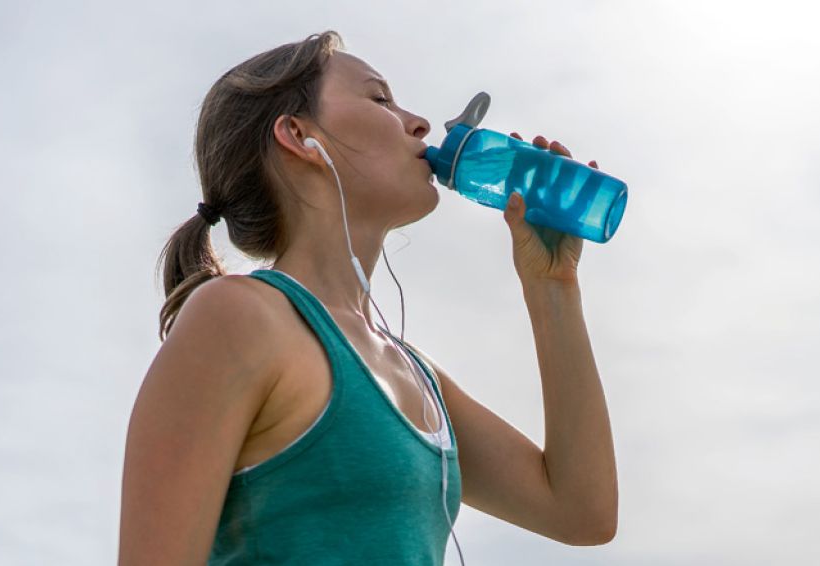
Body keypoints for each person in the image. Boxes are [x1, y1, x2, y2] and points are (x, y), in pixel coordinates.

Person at [118, 30, 617, 565]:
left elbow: (581, 512)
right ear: (299, 136)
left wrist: (552, 287)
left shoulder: (414, 374)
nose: (420, 123)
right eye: (380, 98)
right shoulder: (238, 317)